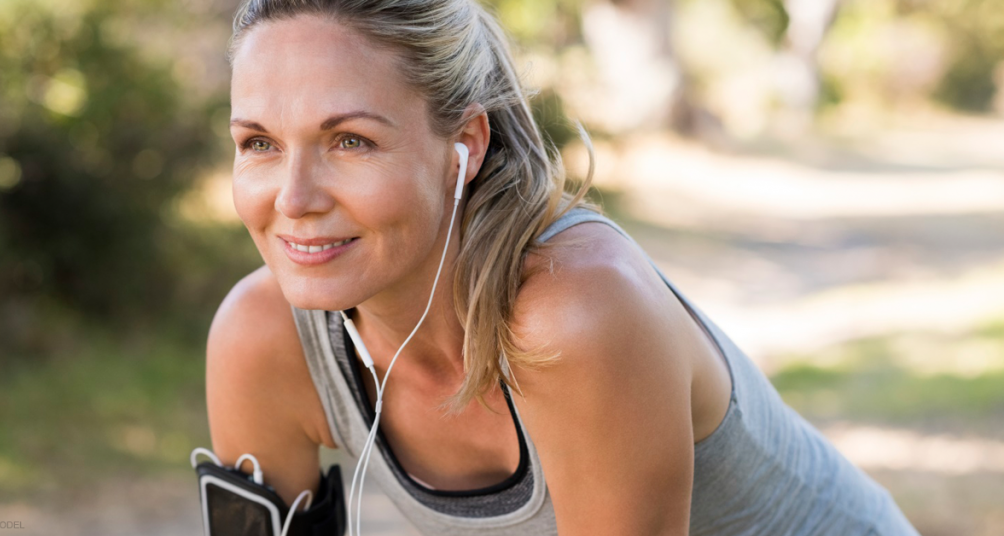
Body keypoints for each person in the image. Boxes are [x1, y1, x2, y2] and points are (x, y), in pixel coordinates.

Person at [205, 0, 920, 534]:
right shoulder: (263, 338)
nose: (293, 200)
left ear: (467, 145)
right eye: (259, 143)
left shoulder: (572, 313)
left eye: (351, 142)